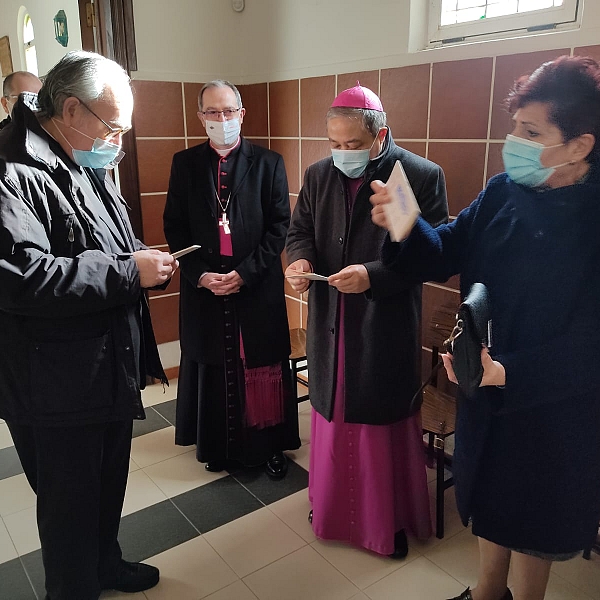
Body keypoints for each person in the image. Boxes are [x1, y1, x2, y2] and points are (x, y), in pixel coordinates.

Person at [371, 55, 600, 600]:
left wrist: (511, 374)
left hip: (552, 406)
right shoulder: (503, 192)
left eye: (531, 131)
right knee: (488, 501)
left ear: (579, 145)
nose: (513, 141)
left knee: (532, 519)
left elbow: (592, 344)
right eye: (514, 126)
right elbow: (446, 248)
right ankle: (484, 591)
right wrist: (406, 225)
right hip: (483, 386)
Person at [0, 51, 178, 600]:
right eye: (113, 126)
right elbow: (23, 279)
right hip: (55, 383)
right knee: (69, 505)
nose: (117, 140)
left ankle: (106, 564)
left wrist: (137, 258)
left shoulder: (77, 153)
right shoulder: (12, 170)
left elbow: (94, 241)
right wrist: (129, 271)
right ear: (71, 109)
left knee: (106, 486)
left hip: (103, 366)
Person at [285, 83, 449, 557]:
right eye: (334, 144)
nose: (342, 154)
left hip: (383, 323)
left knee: (378, 416)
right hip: (329, 319)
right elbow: (300, 233)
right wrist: (296, 263)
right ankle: (331, 506)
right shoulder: (319, 175)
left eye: (352, 145)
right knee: (332, 413)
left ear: (380, 136)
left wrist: (372, 276)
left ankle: (386, 522)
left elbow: (429, 258)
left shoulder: (415, 175)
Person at [163, 80, 300, 478]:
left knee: (258, 363)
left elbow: (280, 228)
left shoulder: (269, 162)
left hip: (256, 286)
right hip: (204, 287)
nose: (221, 119)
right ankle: (217, 447)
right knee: (216, 363)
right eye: (212, 112)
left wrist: (245, 273)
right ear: (200, 116)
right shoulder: (184, 164)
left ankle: (269, 446)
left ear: (242, 114)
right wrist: (198, 274)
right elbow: (174, 227)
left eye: (228, 112)